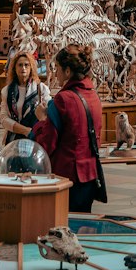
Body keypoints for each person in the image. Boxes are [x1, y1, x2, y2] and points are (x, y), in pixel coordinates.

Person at [31, 42, 104, 211]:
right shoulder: (94, 96)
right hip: (90, 177)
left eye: (57, 68)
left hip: (66, 177)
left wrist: (41, 120)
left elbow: (47, 144)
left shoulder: (63, 99)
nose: (55, 73)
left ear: (68, 71)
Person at [0, 50, 50, 141]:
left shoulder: (41, 89)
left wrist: (34, 132)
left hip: (35, 137)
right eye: (20, 65)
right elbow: (3, 118)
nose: (23, 68)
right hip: (13, 139)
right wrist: (26, 131)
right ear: (14, 68)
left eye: (26, 65)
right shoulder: (6, 91)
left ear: (31, 68)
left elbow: (48, 114)